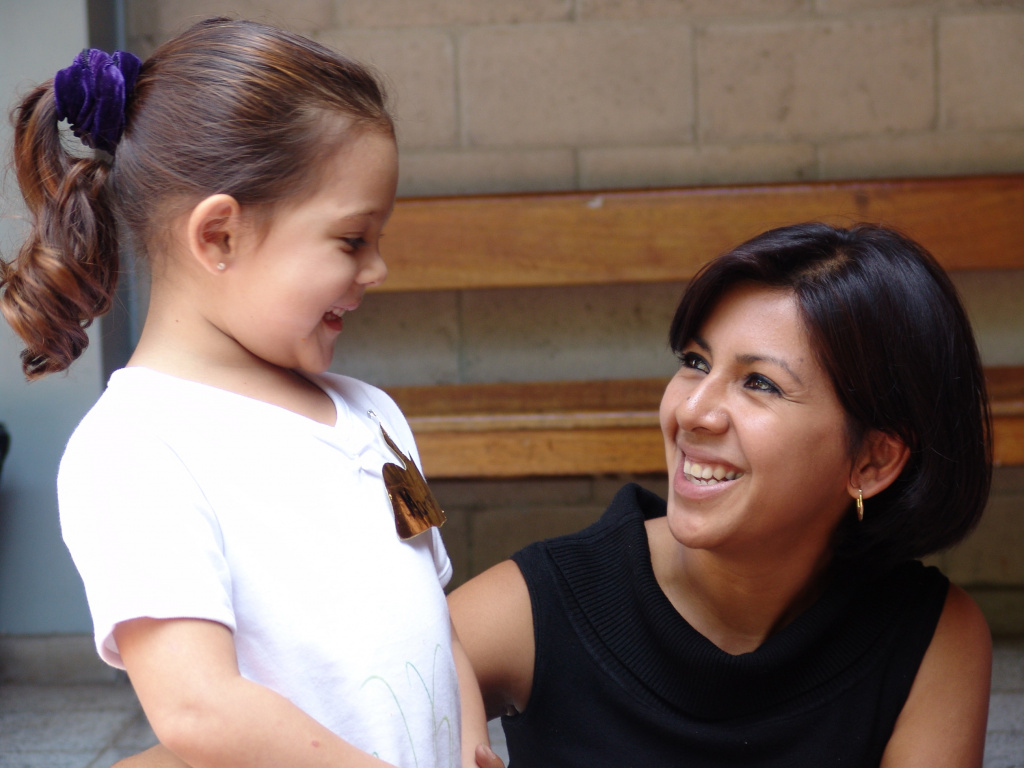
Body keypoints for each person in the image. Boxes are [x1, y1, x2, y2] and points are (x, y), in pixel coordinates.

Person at [2, 18, 503, 768]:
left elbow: (435, 627)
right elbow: (199, 708)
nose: (376, 271)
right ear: (220, 237)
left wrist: (470, 740)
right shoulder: (136, 449)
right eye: (352, 240)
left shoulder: (373, 416)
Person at [449, 222, 993, 768]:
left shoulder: (930, 639)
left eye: (760, 382)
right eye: (695, 363)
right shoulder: (543, 603)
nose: (690, 412)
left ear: (873, 461)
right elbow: (373, 683)